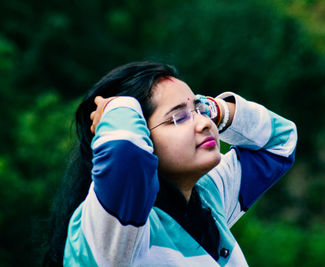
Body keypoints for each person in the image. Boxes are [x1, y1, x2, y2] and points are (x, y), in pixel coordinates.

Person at [43, 61, 297, 266]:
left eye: (200, 111)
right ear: (142, 135)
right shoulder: (117, 225)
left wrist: (217, 109)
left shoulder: (210, 198)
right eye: (178, 117)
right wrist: (116, 105)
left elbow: (280, 142)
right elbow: (126, 155)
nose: (205, 123)